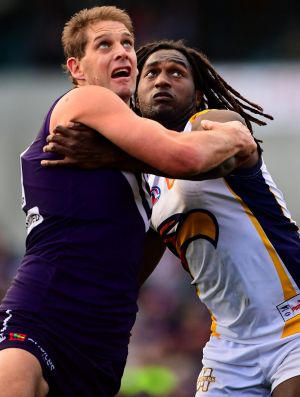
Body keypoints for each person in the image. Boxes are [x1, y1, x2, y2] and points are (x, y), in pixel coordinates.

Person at [0, 7, 255, 397]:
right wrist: (238, 137)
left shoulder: (137, 163)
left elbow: (131, 268)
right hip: (44, 315)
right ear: (77, 68)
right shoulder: (84, 101)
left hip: (103, 339)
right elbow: (188, 158)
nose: (122, 53)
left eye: (127, 44)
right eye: (104, 45)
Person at [42, 39, 300, 397]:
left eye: (176, 72)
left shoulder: (211, 124)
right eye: (152, 73)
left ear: (196, 96)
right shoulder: (145, 184)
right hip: (230, 344)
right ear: (135, 95)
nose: (163, 79)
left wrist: (112, 156)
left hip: (294, 320)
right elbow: (128, 274)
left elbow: (215, 156)